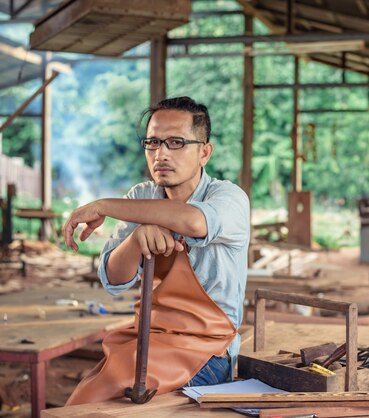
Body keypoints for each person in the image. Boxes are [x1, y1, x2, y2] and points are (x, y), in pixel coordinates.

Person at [61, 96, 250, 404]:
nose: (161, 154)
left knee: (113, 403)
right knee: (86, 399)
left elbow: (194, 222)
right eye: (153, 142)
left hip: (207, 347)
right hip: (149, 339)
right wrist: (136, 241)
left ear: (204, 152)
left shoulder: (228, 198)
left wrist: (104, 206)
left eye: (176, 142)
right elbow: (112, 278)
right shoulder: (142, 196)